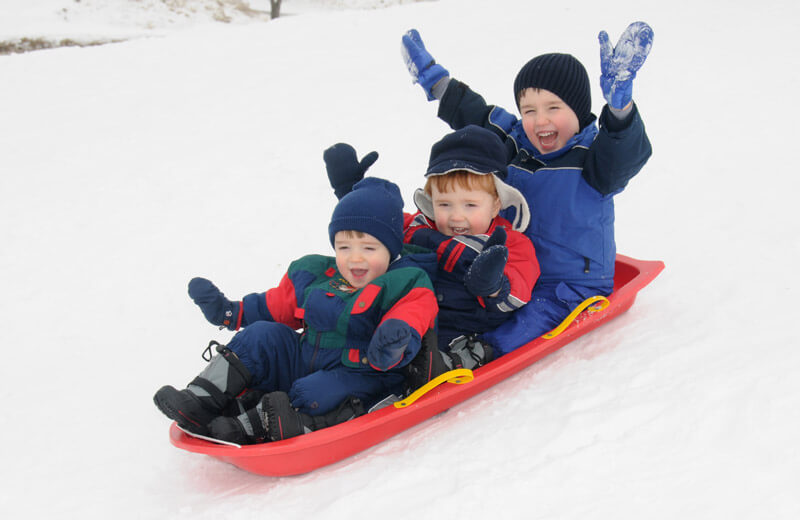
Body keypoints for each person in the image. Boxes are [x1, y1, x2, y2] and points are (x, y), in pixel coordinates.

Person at [400, 22, 654, 355]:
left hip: (568, 286)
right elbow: (475, 115)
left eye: (553, 108)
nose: (539, 121)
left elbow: (624, 153)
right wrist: (434, 79)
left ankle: (476, 353)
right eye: (529, 110)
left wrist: (620, 113)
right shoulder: (516, 142)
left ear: (577, 111)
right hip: (511, 272)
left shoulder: (595, 159)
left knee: (523, 326)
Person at [153, 177, 438, 444]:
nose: (355, 258)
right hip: (304, 360)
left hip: (362, 373)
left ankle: (255, 425)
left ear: (392, 250)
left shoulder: (407, 281)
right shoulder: (318, 274)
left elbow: (411, 315)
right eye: (344, 246)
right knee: (262, 335)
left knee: (314, 392)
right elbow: (274, 306)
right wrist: (229, 312)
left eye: (369, 247)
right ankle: (202, 399)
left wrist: (393, 341)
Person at [324, 125, 539, 377]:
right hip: (401, 315)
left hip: (457, 328)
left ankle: (421, 371)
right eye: (444, 204)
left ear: (495, 205)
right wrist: (350, 190)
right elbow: (378, 225)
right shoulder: (419, 224)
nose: (456, 216)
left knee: (421, 357)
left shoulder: (508, 242)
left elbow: (520, 282)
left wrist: (492, 284)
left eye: (470, 205)